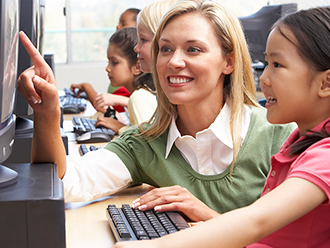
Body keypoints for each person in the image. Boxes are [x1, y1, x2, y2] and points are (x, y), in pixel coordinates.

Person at [17, 0, 295, 222]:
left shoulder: (278, 136)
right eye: (165, 49)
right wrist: (47, 111)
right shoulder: (145, 143)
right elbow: (63, 184)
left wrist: (206, 215)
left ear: (229, 62)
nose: (174, 61)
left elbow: (297, 239)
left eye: (193, 49)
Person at [111, 5, 330, 248]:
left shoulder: (324, 157)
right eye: (266, 63)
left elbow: (256, 222)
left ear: (326, 83)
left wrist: (150, 245)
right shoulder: (298, 143)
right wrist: (206, 218)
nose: (264, 78)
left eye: (277, 65)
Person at [71, 8, 141, 113]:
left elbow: (103, 105)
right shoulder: (124, 83)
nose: (108, 68)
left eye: (123, 23)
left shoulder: (136, 91)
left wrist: (86, 87)